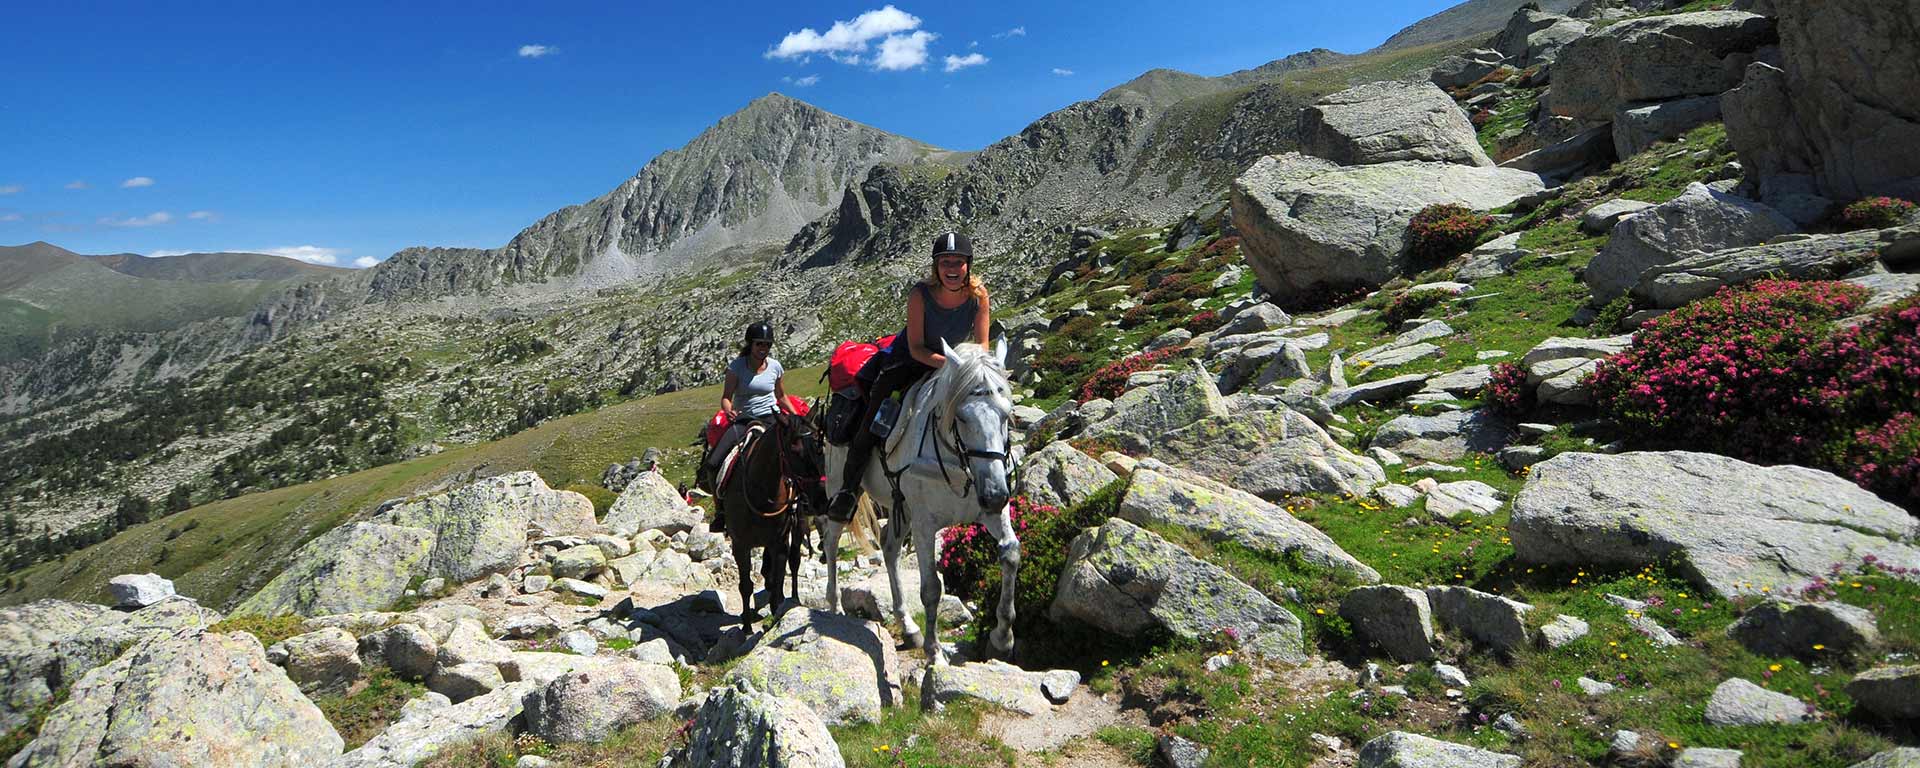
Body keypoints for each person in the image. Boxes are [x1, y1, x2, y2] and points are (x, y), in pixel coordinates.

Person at [826, 231, 991, 522]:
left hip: (955, 365)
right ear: (936, 266)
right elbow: (915, 348)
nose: (952, 269)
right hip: (910, 362)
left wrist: (966, 369)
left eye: (958, 262)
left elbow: (982, 347)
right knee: (873, 420)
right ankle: (848, 490)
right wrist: (951, 365)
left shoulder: (978, 297)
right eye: (945, 262)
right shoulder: (920, 295)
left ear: (968, 264)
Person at [701, 321, 795, 532]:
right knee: (714, 462)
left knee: (797, 453)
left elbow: (781, 395)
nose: (763, 348)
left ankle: (800, 504)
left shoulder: (775, 367)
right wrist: (728, 410)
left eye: (767, 345)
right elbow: (726, 397)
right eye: (759, 344)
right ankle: (721, 511)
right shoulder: (736, 368)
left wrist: (797, 416)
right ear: (750, 345)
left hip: (772, 418)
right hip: (744, 419)